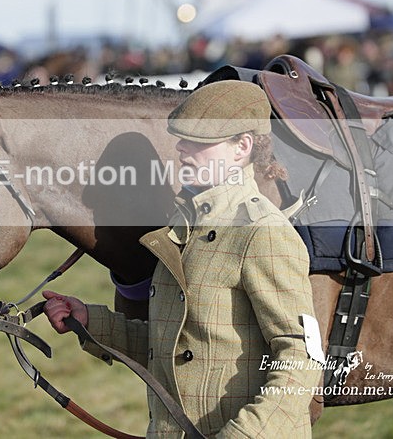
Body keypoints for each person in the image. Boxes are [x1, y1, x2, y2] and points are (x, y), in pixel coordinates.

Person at [43, 80, 321, 437]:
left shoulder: (263, 231)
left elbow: (303, 357)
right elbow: (177, 347)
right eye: (182, 139)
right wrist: (90, 322)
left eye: (200, 141)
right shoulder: (183, 226)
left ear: (242, 147)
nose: (181, 148)